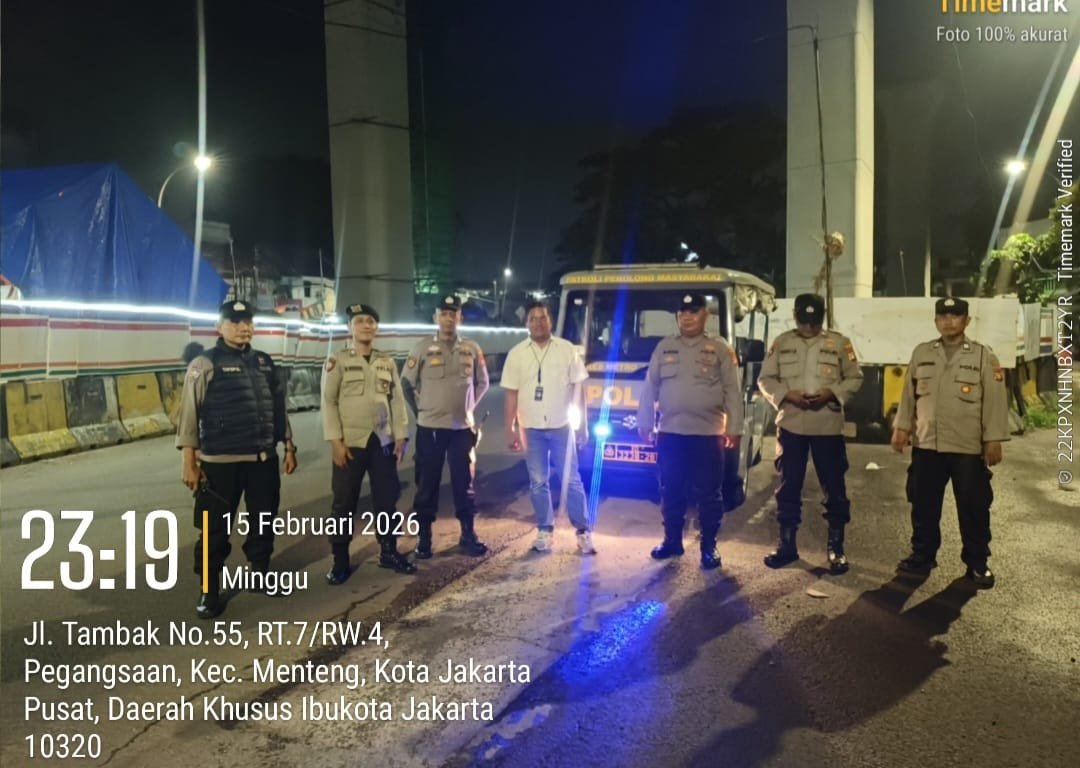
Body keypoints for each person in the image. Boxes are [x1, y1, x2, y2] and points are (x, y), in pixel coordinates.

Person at [177, 300, 297, 619]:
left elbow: (278, 407)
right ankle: (209, 590)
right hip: (220, 463)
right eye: (235, 322)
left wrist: (289, 445)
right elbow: (189, 415)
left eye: (248, 322)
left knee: (263, 520)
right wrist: (189, 462)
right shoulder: (204, 364)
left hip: (263, 460)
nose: (244, 327)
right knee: (213, 529)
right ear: (219, 327)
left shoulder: (264, 362)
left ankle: (259, 572)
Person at [891, 297, 1008, 588]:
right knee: (923, 504)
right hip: (927, 444)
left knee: (973, 507)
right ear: (936, 321)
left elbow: (995, 400)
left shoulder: (982, 356)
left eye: (955, 315)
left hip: (966, 447)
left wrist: (993, 438)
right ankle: (923, 555)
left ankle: (977, 563)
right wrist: (902, 427)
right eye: (943, 316)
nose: (948, 321)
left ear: (967, 321)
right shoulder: (922, 353)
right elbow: (908, 395)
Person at [757, 293, 864, 573]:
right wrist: (786, 395)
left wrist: (832, 392)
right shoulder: (782, 343)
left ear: (822, 317)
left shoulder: (839, 343)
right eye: (803, 321)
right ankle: (786, 546)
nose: (808, 327)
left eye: (814, 322)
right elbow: (765, 378)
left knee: (834, 488)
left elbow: (855, 377)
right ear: (795, 316)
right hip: (791, 425)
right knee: (788, 487)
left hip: (827, 426)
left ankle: (836, 548)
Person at [635, 293, 743, 570]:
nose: (687, 317)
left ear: (706, 314)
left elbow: (732, 391)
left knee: (709, 494)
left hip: (708, 434)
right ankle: (672, 541)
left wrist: (734, 428)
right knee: (670, 489)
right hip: (670, 433)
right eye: (682, 312)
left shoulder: (720, 348)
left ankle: (709, 547)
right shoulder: (664, 347)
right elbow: (650, 387)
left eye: (693, 311)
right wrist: (645, 421)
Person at [322, 302, 415, 583]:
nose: (366, 326)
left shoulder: (386, 361)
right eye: (360, 321)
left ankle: (388, 551)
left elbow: (396, 401)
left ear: (376, 327)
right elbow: (328, 402)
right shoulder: (337, 361)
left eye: (371, 321)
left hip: (382, 441)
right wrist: (335, 442)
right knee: (343, 503)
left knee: (387, 500)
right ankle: (340, 560)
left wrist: (401, 435)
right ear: (350, 327)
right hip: (350, 443)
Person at [502, 299, 596, 554]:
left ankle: (583, 531)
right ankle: (545, 530)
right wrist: (510, 428)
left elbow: (578, 390)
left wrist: (583, 426)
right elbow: (511, 394)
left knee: (571, 480)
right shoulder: (517, 354)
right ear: (526, 323)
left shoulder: (566, 349)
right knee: (537, 481)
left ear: (550, 321)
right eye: (532, 319)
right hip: (530, 427)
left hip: (561, 426)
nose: (538, 323)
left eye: (542, 318)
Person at [401, 294, 489, 558]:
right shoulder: (421, 348)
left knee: (464, 483)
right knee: (426, 484)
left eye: (454, 314)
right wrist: (421, 413)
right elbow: (406, 384)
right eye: (444, 314)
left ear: (460, 317)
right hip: (430, 429)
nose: (449, 319)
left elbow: (483, 383)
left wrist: (468, 408)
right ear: (436, 317)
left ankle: (468, 534)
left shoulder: (472, 348)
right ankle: (424, 538)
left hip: (462, 429)